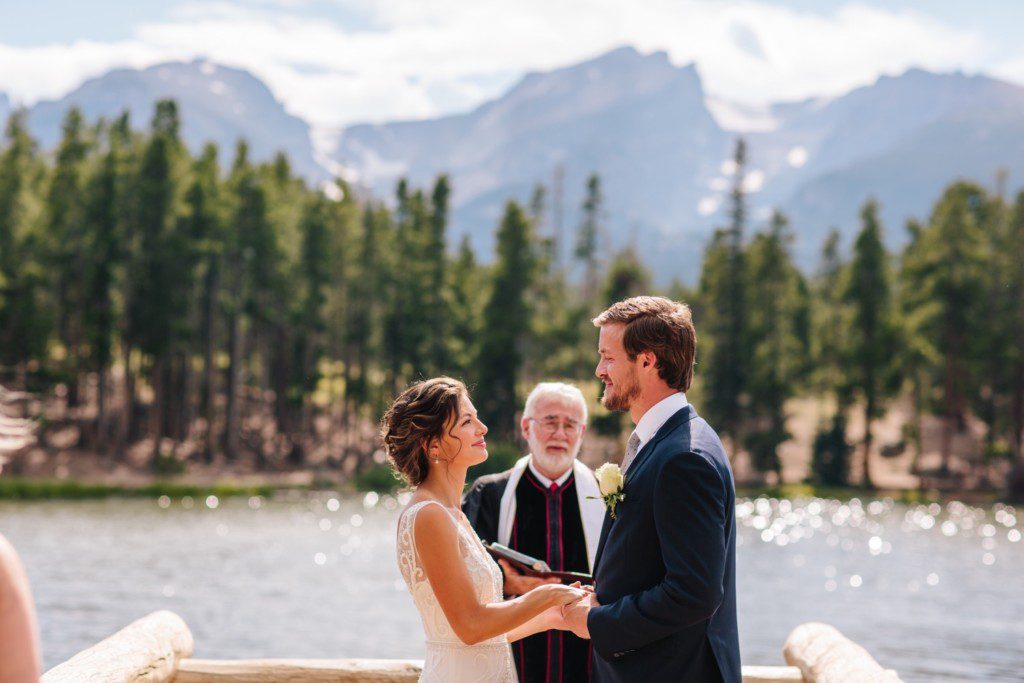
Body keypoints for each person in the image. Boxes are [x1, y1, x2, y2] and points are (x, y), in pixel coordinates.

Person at [562, 296, 741, 682]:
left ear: (647, 361)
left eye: (609, 358)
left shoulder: (685, 458)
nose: (599, 370)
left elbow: (694, 593)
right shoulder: (663, 443)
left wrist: (598, 621)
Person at [384, 377, 588, 682]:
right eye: (467, 421)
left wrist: (558, 614)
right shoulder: (429, 515)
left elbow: (490, 632)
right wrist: (545, 594)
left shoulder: (456, 515)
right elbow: (470, 626)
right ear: (434, 444)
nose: (483, 428)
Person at [463, 381, 604, 683]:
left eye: (570, 425)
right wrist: (515, 582)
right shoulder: (489, 495)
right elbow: (467, 583)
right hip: (512, 651)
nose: (560, 434)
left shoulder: (606, 497)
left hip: (588, 659)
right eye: (550, 422)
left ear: (581, 433)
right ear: (526, 428)